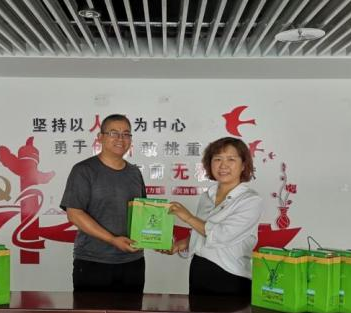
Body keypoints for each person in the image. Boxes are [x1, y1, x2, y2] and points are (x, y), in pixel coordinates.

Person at [61, 114, 146, 293]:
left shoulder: (134, 172)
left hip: (133, 262)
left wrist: (160, 239)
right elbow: (74, 213)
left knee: (131, 311)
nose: (120, 139)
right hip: (94, 261)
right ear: (100, 137)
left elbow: (143, 212)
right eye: (113, 133)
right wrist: (112, 240)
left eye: (126, 134)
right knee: (91, 311)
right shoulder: (84, 170)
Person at [167, 137, 263, 296]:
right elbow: (202, 232)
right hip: (198, 271)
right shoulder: (207, 196)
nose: (223, 165)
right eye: (217, 159)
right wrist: (182, 244)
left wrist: (188, 217)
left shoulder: (251, 200)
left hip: (231, 276)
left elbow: (221, 235)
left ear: (243, 165)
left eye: (231, 159)